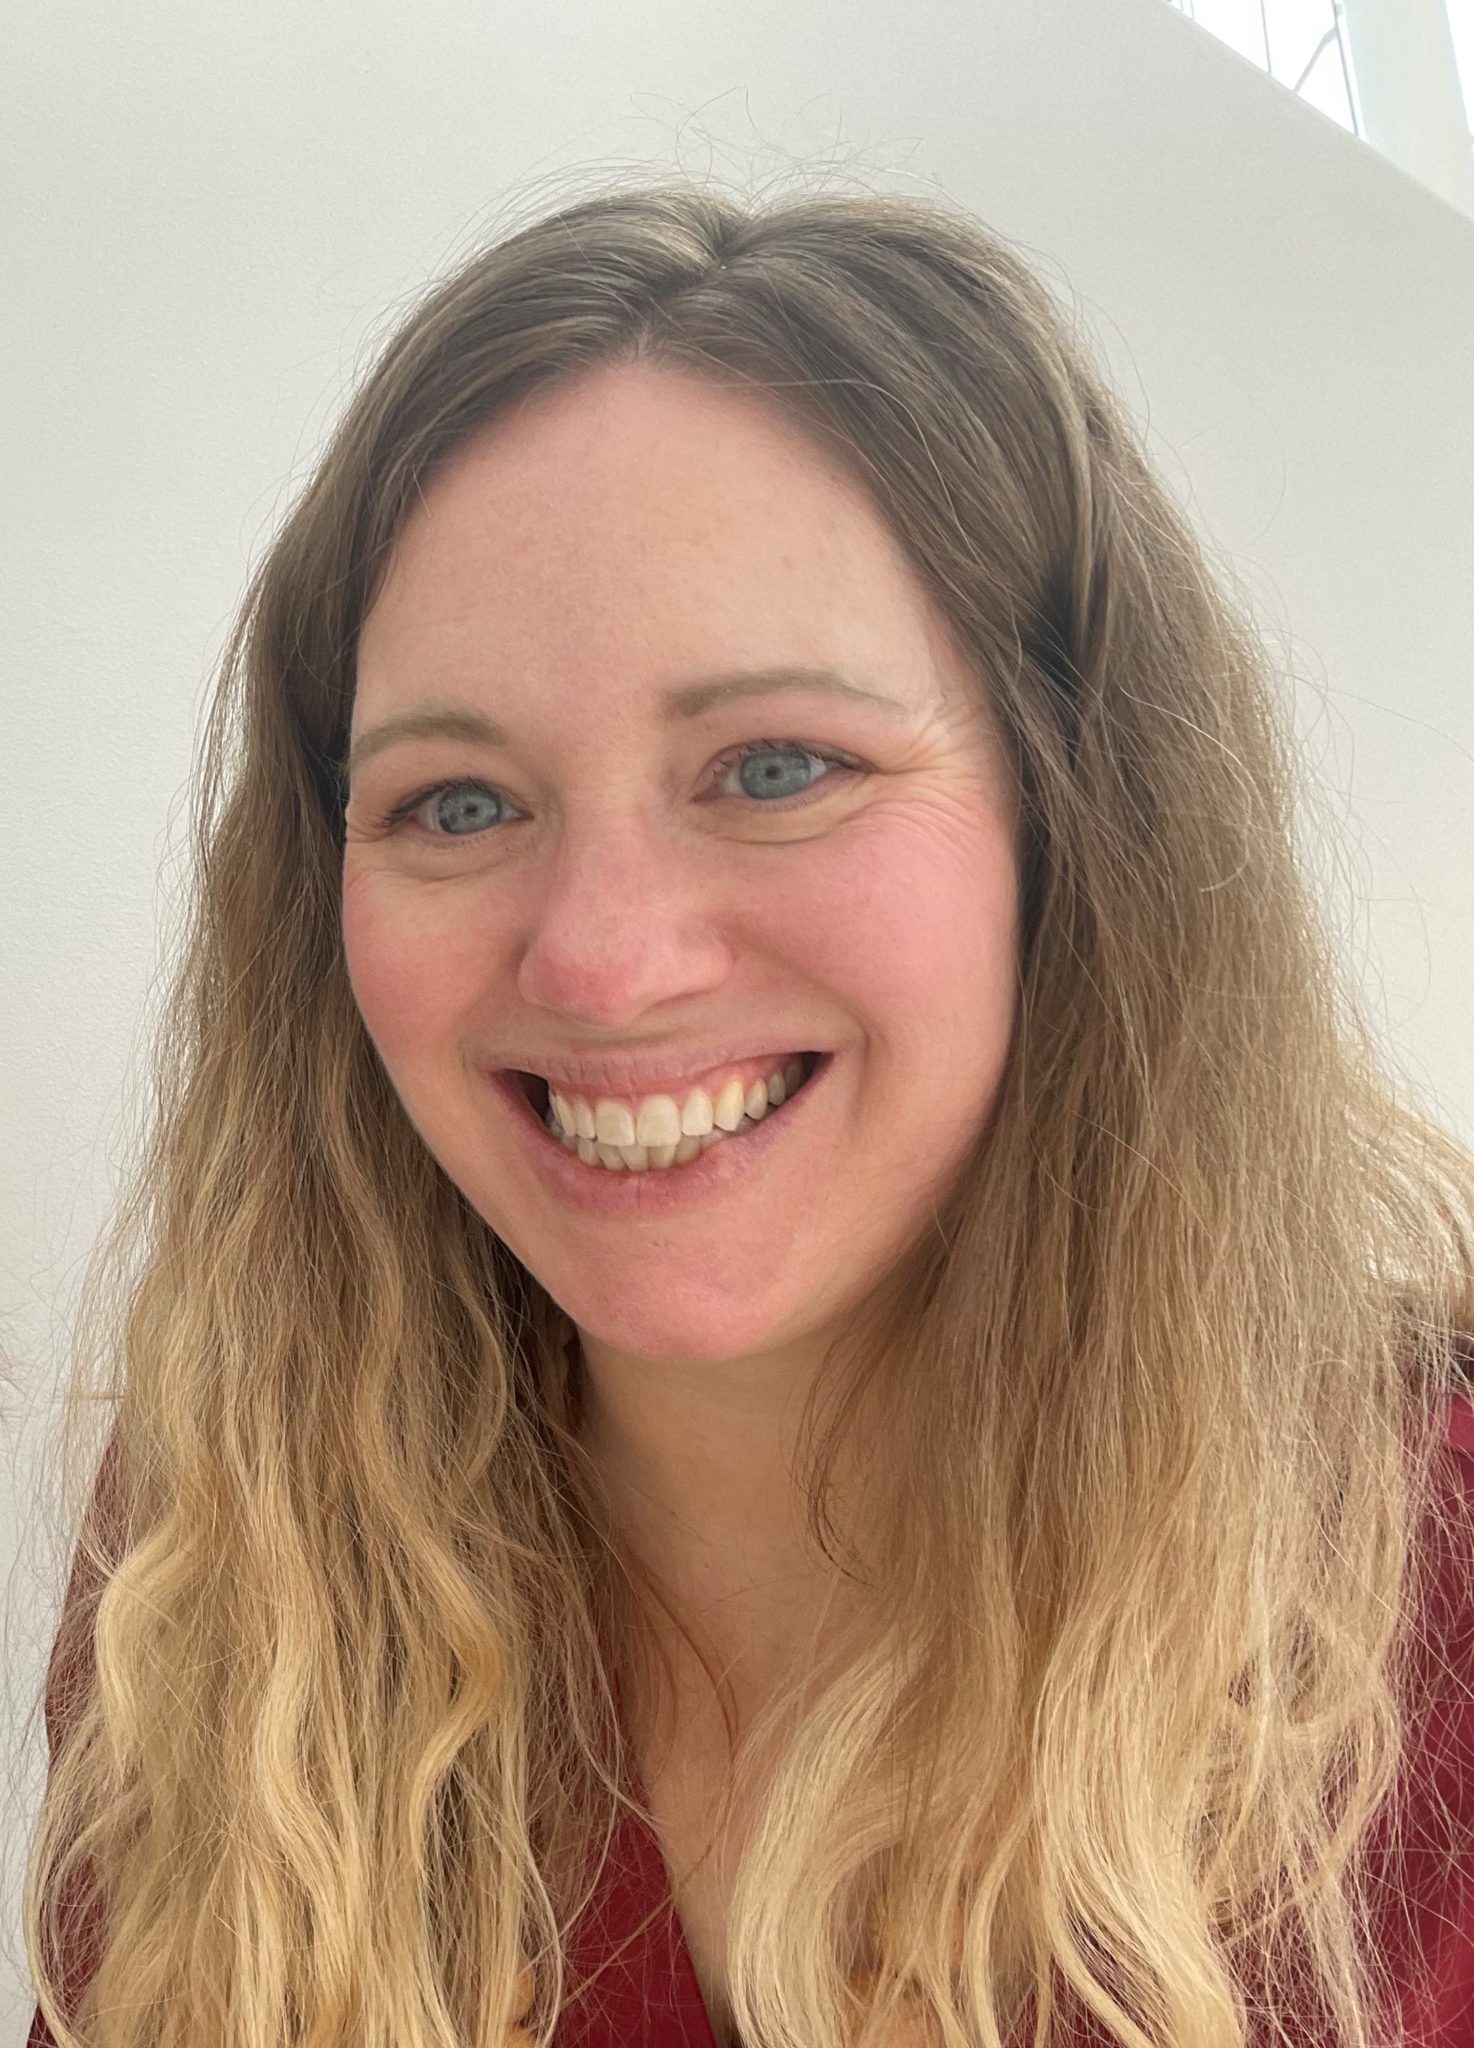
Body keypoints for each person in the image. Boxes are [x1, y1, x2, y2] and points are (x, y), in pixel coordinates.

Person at [21, 177, 1474, 2048]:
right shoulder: (239, 1557)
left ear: (1072, 830)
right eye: (456, 803)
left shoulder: (1433, 1582)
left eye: (776, 766)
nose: (604, 964)